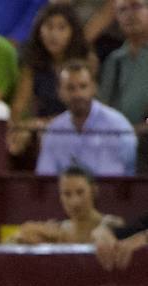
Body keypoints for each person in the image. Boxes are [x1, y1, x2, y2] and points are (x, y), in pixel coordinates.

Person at [8, 3, 93, 158]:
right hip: (40, 128)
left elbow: (89, 109)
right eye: (48, 27)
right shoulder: (32, 63)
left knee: (45, 134)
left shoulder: (87, 60)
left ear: (73, 32)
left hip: (80, 127)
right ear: (39, 30)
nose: (53, 34)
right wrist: (18, 128)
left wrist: (41, 123)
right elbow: (19, 107)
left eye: (61, 28)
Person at [36, 59, 138, 176]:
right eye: (70, 88)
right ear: (60, 92)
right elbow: (46, 177)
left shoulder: (117, 127)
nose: (77, 94)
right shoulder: (54, 130)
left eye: (83, 86)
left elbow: (121, 179)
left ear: (94, 88)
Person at [98, 0, 148, 173]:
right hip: (117, 146)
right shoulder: (114, 60)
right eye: (122, 10)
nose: (129, 14)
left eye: (136, 6)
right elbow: (102, 109)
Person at [12, 166, 124, 243]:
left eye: (80, 192)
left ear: (93, 191)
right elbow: (12, 242)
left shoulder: (110, 223)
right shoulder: (55, 230)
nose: (74, 201)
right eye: (67, 194)